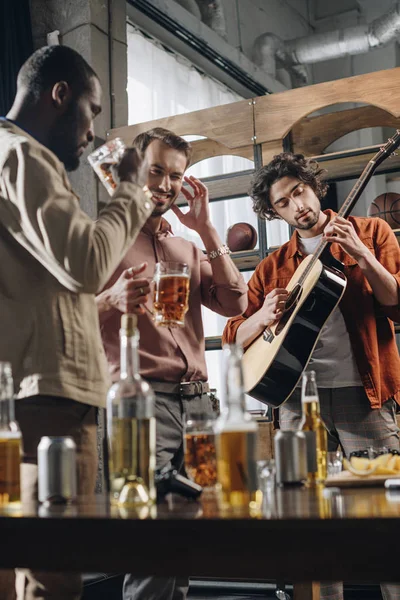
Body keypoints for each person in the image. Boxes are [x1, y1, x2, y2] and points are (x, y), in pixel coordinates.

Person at [0, 45, 155, 600]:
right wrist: (132, 191)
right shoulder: (23, 156)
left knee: (19, 564)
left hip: (24, 391)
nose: (90, 133)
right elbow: (87, 263)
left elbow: (48, 285)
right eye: (91, 111)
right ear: (59, 95)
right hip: (47, 399)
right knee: (54, 572)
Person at [223, 152, 400, 600]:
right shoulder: (271, 266)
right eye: (282, 203)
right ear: (274, 212)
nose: (296, 206)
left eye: (298, 192)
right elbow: (233, 336)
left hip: (366, 395)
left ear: (313, 186)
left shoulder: (372, 231)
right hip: (297, 404)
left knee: (384, 518)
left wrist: (360, 253)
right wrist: (262, 315)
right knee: (312, 522)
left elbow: (396, 302)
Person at [96, 127, 248, 600]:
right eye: (155, 171)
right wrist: (111, 298)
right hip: (139, 408)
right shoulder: (103, 239)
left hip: (199, 406)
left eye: (175, 176)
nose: (164, 184)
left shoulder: (187, 247)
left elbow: (235, 303)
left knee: (190, 538)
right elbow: (58, 313)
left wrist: (206, 230)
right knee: (152, 546)